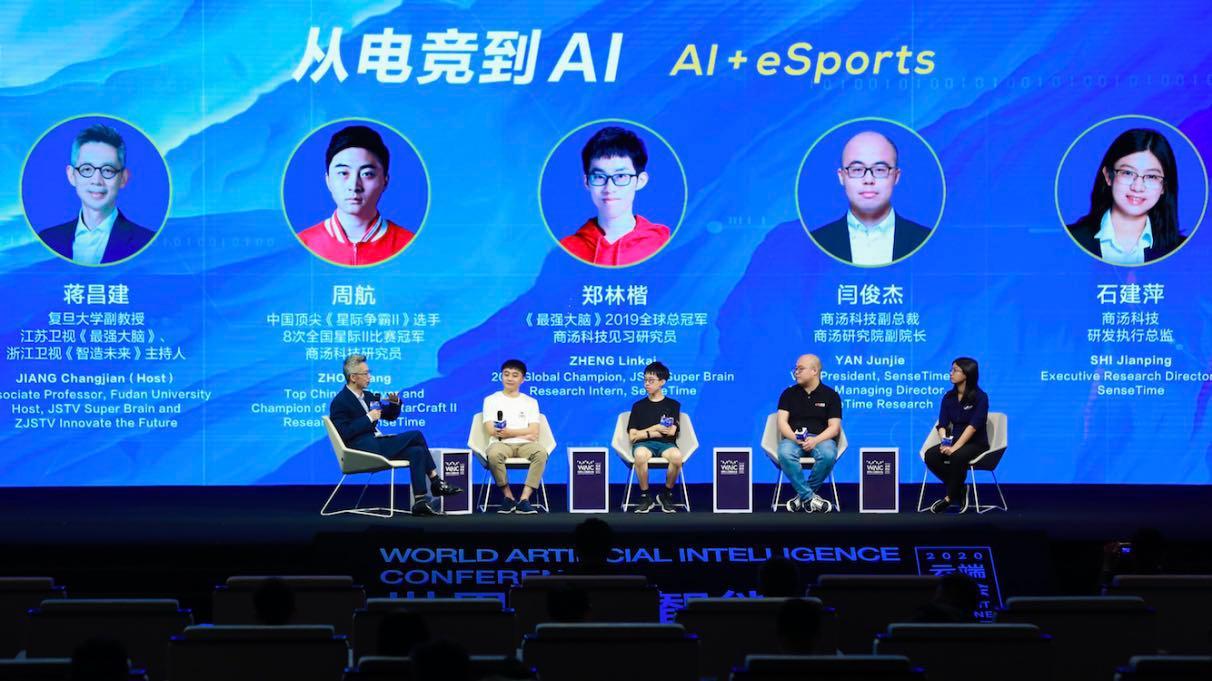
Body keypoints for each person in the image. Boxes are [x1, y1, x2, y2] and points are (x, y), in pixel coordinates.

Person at [329, 353, 460, 516]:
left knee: (417, 452)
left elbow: (389, 416)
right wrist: (368, 418)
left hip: (377, 444)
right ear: (353, 377)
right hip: (364, 450)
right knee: (416, 435)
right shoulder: (340, 402)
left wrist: (394, 404)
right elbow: (345, 432)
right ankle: (436, 481)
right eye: (366, 373)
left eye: (369, 372)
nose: (369, 377)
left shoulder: (369, 396)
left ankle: (420, 501)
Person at [297, 125, 415, 266]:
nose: (354, 186)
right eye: (343, 173)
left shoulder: (411, 245)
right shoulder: (302, 244)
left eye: (367, 174)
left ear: (385, 181)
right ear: (328, 180)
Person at [38, 124, 154, 264]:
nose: (97, 181)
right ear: (71, 175)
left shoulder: (148, 243)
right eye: (87, 169)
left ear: (123, 178)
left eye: (108, 170)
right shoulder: (46, 240)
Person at [811, 130, 931, 265]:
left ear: (896, 177)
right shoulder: (815, 243)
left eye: (880, 169)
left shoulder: (926, 240)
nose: (868, 180)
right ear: (842, 177)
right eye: (857, 169)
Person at [1066, 128, 1184, 264]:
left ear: (1164, 186)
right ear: (1108, 176)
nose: (1137, 187)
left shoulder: (1184, 251)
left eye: (1151, 176)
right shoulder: (1068, 239)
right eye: (1128, 173)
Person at [560, 126, 671, 266]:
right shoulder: (565, 250)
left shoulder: (663, 242)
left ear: (640, 181)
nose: (609, 188)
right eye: (599, 177)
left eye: (621, 176)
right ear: (587, 182)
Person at [775, 354, 842, 512]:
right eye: (795, 369)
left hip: (820, 439)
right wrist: (795, 438)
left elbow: (834, 427)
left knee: (828, 454)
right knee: (784, 452)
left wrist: (815, 441)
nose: (796, 372)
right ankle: (809, 497)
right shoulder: (788, 394)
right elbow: (782, 423)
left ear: (814, 371)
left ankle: (802, 497)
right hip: (793, 439)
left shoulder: (831, 395)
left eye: (800, 369)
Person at [481, 359, 548, 514]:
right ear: (501, 376)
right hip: (500, 444)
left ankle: (524, 499)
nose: (509, 378)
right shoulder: (491, 400)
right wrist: (524, 432)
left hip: (525, 445)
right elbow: (491, 430)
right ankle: (509, 497)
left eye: (515, 375)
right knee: (493, 454)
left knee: (541, 453)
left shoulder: (530, 402)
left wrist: (508, 432)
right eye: (506, 374)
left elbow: (534, 431)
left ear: (522, 379)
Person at [924, 357, 990, 513]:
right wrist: (945, 444)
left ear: (967, 374)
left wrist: (954, 448)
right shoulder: (949, 397)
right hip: (954, 441)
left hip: (976, 443)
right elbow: (942, 424)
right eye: (951, 369)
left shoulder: (981, 398)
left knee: (957, 456)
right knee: (931, 455)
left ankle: (949, 498)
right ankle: (960, 489)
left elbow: (973, 427)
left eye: (955, 370)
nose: (951, 373)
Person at [626, 361, 683, 513]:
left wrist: (643, 433)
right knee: (640, 455)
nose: (646, 384)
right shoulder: (638, 406)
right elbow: (633, 436)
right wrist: (655, 429)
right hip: (644, 444)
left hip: (666, 444)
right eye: (645, 380)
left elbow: (670, 432)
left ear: (662, 382)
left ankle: (666, 495)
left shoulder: (673, 405)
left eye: (651, 380)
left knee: (677, 457)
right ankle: (646, 497)